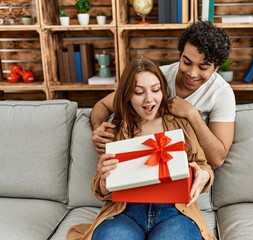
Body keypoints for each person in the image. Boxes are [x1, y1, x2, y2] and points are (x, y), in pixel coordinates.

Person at [67, 57, 215, 240]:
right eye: (139, 92)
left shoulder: (179, 123)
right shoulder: (115, 129)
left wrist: (204, 175)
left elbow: (204, 166)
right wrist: (104, 182)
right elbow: (101, 188)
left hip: (174, 212)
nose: (149, 99)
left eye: (155, 90)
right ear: (128, 94)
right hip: (125, 212)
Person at [91, 20, 236, 169]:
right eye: (186, 62)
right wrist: (97, 127)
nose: (192, 73)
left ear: (216, 68)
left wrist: (192, 114)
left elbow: (217, 160)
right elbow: (102, 104)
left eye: (203, 67)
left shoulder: (221, 93)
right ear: (180, 56)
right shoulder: (158, 78)